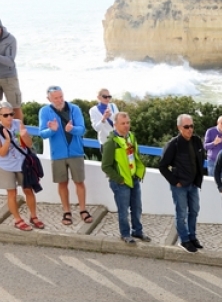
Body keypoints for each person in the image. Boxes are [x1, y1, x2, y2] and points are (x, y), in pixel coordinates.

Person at [38, 85, 93, 226]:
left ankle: (83, 210)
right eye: (56, 98)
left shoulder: (74, 109)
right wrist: (52, 130)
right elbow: (42, 133)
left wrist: (72, 129)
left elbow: (82, 130)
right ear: (49, 99)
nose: (59, 100)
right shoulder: (44, 111)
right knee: (62, 183)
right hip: (58, 154)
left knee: (79, 182)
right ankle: (66, 211)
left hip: (76, 152)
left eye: (61, 96)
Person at [101, 112, 150, 244]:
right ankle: (125, 234)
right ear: (115, 125)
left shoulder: (131, 137)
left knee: (137, 207)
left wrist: (138, 173)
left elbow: (135, 156)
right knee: (123, 210)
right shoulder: (111, 143)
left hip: (134, 179)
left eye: (128, 122)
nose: (126, 125)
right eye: (123, 123)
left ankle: (137, 231)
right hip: (121, 183)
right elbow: (105, 166)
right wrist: (119, 179)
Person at [159, 114, 205, 253]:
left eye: (191, 126)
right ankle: (184, 240)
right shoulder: (173, 144)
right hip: (180, 185)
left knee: (194, 210)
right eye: (186, 127)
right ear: (179, 128)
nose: (190, 129)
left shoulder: (197, 141)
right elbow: (162, 166)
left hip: (193, 184)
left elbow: (200, 159)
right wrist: (175, 181)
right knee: (181, 213)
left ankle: (192, 236)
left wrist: (198, 178)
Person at [0, 102, 43, 230]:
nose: (9, 117)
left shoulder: (18, 123)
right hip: (6, 166)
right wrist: (8, 141)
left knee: (28, 190)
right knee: (12, 193)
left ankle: (33, 217)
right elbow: (2, 153)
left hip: (22, 163)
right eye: (5, 115)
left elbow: (29, 145)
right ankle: (17, 220)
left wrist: (25, 136)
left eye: (11, 114)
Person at [0, 20, 23, 121]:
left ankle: (19, 130)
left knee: (15, 107)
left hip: (9, 78)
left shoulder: (10, 39)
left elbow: (10, 61)